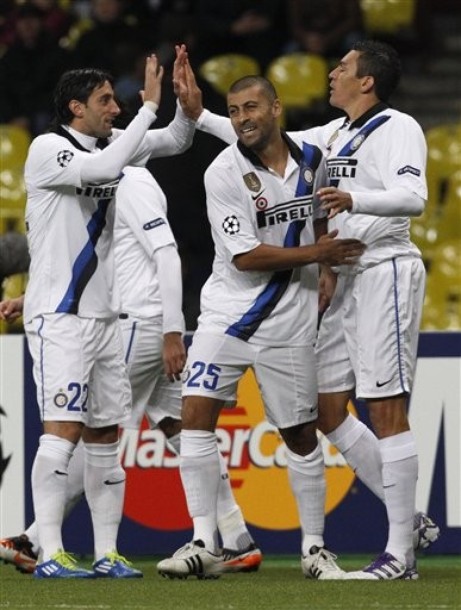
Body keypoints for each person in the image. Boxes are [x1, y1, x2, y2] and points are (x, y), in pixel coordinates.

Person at [189, 40, 440, 579]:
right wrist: (200, 115)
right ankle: (411, 520)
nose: (332, 72)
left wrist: (355, 200)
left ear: (367, 80)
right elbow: (264, 133)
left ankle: (400, 553)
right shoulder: (335, 134)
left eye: (343, 67)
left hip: (384, 269)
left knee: (385, 407)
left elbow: (413, 197)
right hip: (344, 278)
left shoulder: (398, 127)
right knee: (328, 410)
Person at [0, 165, 262, 576]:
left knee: (95, 434)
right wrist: (33, 297)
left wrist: (173, 330)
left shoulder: (132, 182)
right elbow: (101, 262)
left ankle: (33, 540)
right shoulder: (106, 182)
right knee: (184, 429)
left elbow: (166, 254)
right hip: (142, 324)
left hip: (136, 324)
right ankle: (236, 537)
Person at [156, 71, 367, 580]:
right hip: (226, 315)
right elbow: (246, 257)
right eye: (233, 112)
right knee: (194, 415)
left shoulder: (314, 160)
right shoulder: (223, 173)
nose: (242, 119)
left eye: (250, 108)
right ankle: (204, 540)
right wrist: (319, 254)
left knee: (300, 435)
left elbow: (320, 214)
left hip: (290, 322)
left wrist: (326, 268)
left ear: (275, 108)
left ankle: (313, 549)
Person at [15, 48, 197, 579]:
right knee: (62, 433)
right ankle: (50, 553)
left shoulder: (112, 144)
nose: (116, 109)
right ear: (76, 107)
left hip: (104, 319)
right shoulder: (48, 149)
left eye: (117, 102)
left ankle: (106, 553)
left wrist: (185, 109)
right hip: (59, 317)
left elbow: (173, 141)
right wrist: (148, 107)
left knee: (104, 438)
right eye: (105, 101)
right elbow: (101, 169)